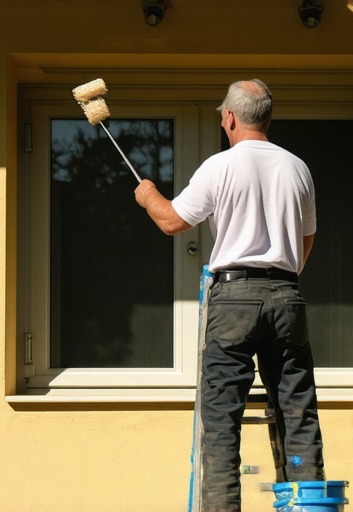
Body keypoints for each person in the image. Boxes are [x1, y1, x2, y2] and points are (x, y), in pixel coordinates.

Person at [134, 79, 325, 512]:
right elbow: (307, 238)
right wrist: (282, 279)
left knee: (221, 422)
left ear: (231, 117)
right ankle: (309, 506)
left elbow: (171, 222)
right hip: (287, 294)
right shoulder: (297, 168)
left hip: (235, 297)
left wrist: (148, 196)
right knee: (298, 415)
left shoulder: (220, 166)